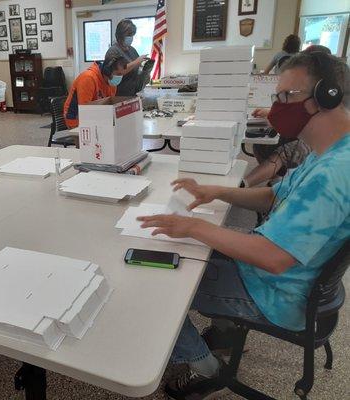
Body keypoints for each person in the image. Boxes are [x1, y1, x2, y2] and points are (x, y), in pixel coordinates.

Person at [137, 52, 349, 399]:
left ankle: (205, 368)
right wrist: (217, 192)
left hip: (276, 293)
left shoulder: (334, 174)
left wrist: (193, 227)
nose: (277, 106)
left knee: (155, 282)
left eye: (285, 96)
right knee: (196, 250)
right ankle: (223, 332)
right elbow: (273, 197)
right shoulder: (330, 153)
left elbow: (275, 258)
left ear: (325, 97)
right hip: (285, 278)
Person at [245, 45, 332, 187]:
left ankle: (247, 183)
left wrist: (241, 186)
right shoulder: (307, 93)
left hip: (310, 141)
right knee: (261, 146)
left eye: (288, 94)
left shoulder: (324, 99)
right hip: (300, 136)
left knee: (283, 153)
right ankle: (276, 180)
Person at [63, 55, 128, 129]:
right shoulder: (88, 78)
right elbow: (85, 110)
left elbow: (109, 106)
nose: (120, 77)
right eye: (118, 74)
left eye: (122, 75)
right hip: (75, 119)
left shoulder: (112, 83)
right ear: (107, 71)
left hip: (95, 118)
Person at [104, 19, 148, 96]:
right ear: (120, 35)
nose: (131, 38)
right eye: (128, 35)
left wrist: (145, 72)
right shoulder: (113, 51)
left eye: (132, 35)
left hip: (133, 93)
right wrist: (136, 62)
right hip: (119, 94)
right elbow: (117, 71)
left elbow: (138, 67)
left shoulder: (132, 49)